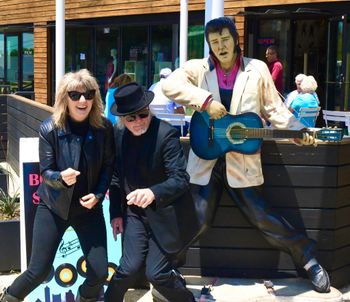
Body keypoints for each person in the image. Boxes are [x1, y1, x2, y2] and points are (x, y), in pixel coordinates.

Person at [162, 17, 330, 293]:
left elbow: (275, 109)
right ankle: (165, 264)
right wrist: (204, 102)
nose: (220, 46)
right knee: (197, 218)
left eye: (225, 39)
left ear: (236, 39)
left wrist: (300, 130)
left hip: (242, 160)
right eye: (214, 42)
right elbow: (170, 86)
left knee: (262, 217)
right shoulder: (197, 68)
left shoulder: (258, 68)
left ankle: (307, 259)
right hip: (206, 158)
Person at [0, 69, 115, 302]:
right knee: (39, 270)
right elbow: (46, 172)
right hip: (54, 207)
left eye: (89, 94)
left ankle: (85, 298)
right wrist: (61, 177)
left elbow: (107, 167)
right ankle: (9, 297)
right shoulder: (49, 128)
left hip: (88, 209)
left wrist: (99, 195)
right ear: (65, 98)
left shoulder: (104, 128)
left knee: (100, 272)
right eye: (75, 95)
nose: (83, 100)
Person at [104, 82, 199, 302]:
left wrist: (153, 192)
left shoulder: (166, 134)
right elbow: (116, 178)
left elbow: (181, 179)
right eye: (131, 118)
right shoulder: (118, 136)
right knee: (127, 268)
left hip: (166, 214)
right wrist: (115, 214)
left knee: (156, 273)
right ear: (122, 120)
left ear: (149, 110)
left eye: (143, 115)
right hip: (134, 214)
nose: (138, 122)